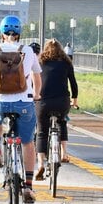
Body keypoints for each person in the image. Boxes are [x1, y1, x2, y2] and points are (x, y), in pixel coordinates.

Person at [0, 15, 42, 203]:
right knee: (28, 143)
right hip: (24, 102)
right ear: (19, 32)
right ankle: (29, 187)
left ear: (2, 33)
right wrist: (36, 95)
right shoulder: (28, 51)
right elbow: (37, 78)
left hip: (0, 101)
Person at [34, 39, 78, 181]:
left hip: (43, 102)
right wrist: (74, 100)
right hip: (62, 102)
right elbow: (73, 83)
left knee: (41, 131)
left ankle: (40, 163)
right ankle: (64, 154)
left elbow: (32, 82)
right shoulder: (66, 63)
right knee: (62, 122)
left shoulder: (40, 62)